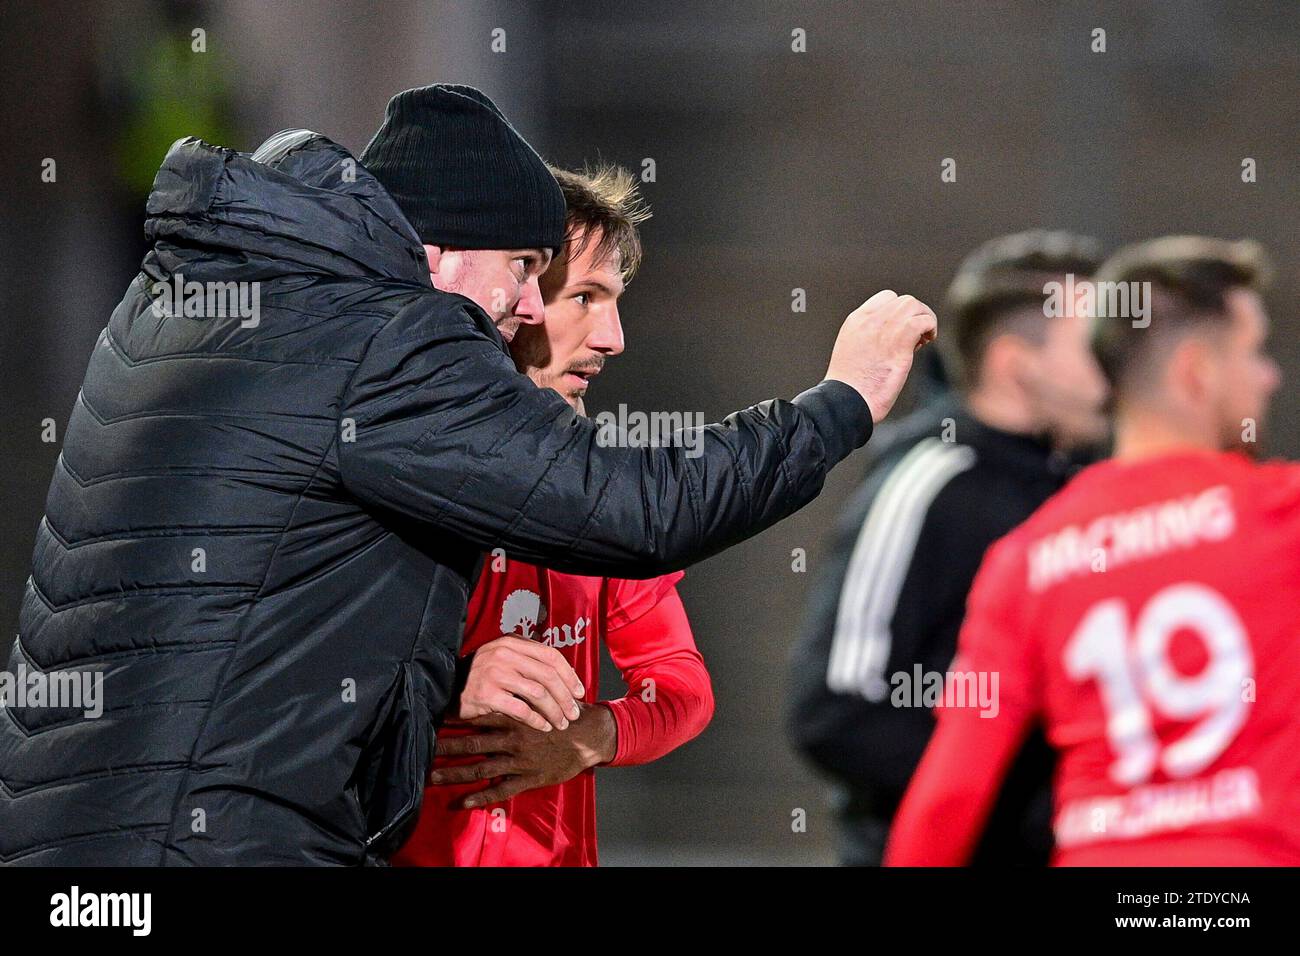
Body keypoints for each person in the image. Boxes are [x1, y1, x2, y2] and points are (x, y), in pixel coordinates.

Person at [0, 84, 936, 865]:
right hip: (207, 836)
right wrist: (841, 400)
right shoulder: (386, 336)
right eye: (527, 268)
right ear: (440, 247)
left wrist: (463, 692)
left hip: (86, 830)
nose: (526, 306)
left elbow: (253, 610)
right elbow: (638, 508)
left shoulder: (200, 302)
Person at [885, 236, 1297, 866]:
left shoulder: (1027, 557)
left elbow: (949, 799)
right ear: (1197, 371)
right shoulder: (1281, 514)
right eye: (1253, 350)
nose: (1271, 375)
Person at [394, 164, 713, 866]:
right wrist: (451, 683)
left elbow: (684, 688)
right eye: (587, 298)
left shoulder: (599, 493)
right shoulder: (400, 475)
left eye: (615, 301)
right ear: (520, 302)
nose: (614, 338)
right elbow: (313, 681)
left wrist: (592, 736)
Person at [787, 231, 1109, 865]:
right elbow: (836, 711)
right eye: (1094, 344)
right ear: (1017, 360)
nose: (1116, 367)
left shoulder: (1083, 485)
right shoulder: (932, 480)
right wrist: (1011, 795)